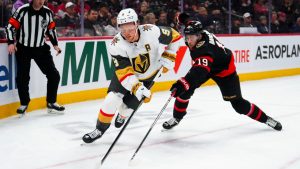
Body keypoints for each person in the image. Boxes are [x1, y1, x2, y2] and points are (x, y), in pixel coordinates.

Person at [162, 13, 282, 131]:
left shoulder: (204, 51)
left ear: (199, 36)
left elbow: (199, 71)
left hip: (224, 70)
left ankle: (266, 119)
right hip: (210, 64)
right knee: (185, 92)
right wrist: (181, 18)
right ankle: (176, 118)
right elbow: (188, 20)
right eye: (186, 38)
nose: (188, 41)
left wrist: (183, 83)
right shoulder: (197, 30)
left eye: (190, 38)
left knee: (238, 105)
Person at [82, 8, 182, 143]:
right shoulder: (116, 44)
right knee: (111, 100)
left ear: (137, 24)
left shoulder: (151, 30)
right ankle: (99, 129)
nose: (127, 34)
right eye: (123, 30)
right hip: (126, 76)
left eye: (130, 29)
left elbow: (175, 36)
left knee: (126, 109)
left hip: (149, 76)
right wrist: (137, 88)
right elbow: (124, 72)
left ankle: (122, 115)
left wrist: (170, 54)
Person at [6, 0, 65, 115]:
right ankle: (24, 103)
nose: (41, 1)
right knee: (22, 78)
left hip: (41, 48)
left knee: (54, 75)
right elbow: (10, 26)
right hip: (23, 48)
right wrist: (10, 42)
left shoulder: (48, 12)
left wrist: (55, 45)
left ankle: (51, 102)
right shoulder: (22, 10)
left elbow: (51, 29)